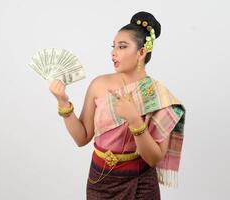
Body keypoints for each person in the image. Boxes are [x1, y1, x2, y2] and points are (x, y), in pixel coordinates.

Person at [49, 11, 186, 200]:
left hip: (141, 183)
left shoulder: (157, 95)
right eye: (113, 46)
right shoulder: (99, 85)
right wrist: (62, 102)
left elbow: (154, 158)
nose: (114, 52)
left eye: (122, 46)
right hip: (100, 180)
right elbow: (82, 138)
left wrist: (134, 120)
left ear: (141, 52)